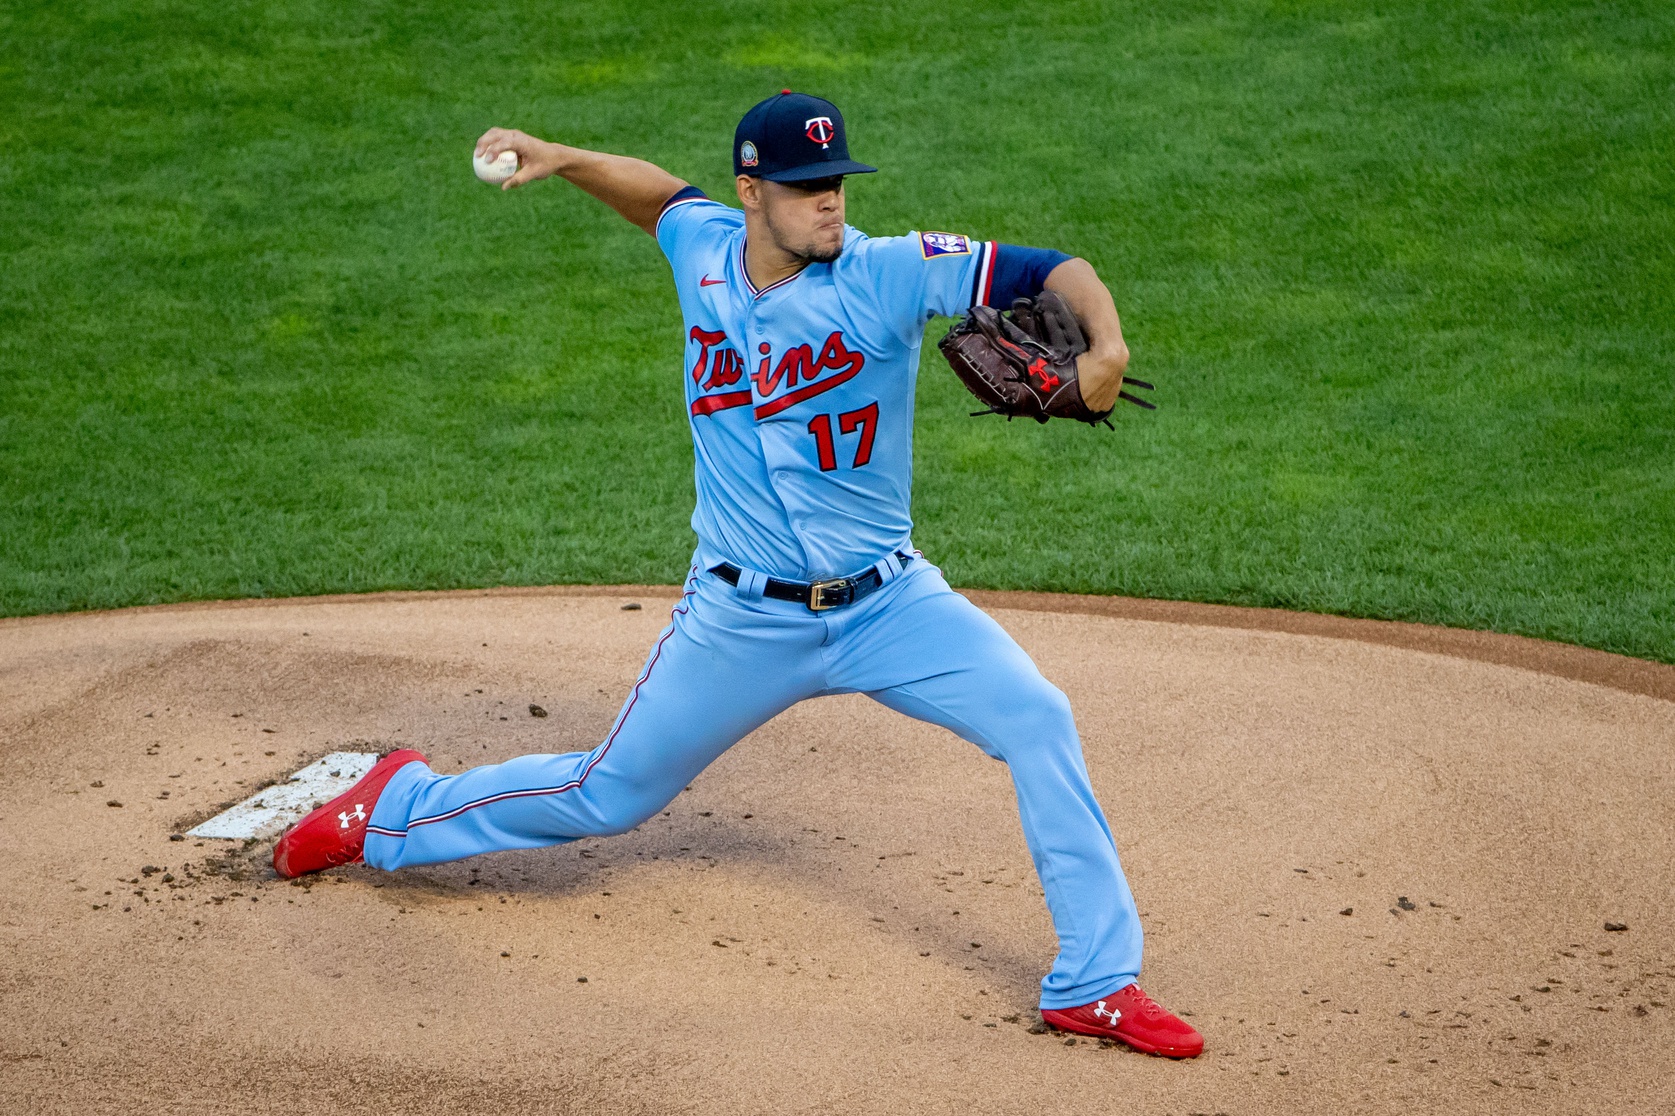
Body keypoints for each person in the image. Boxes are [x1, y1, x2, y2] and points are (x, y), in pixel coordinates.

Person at [273, 90, 1202, 1058]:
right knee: (607, 792)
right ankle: (391, 805)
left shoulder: (887, 272)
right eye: (806, 189)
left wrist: (1108, 342)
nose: (830, 203)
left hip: (890, 604)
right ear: (751, 192)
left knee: (1036, 715)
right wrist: (561, 156)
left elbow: (1052, 269)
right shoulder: (705, 253)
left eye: (836, 182)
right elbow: (657, 199)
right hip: (739, 621)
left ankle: (1095, 981)